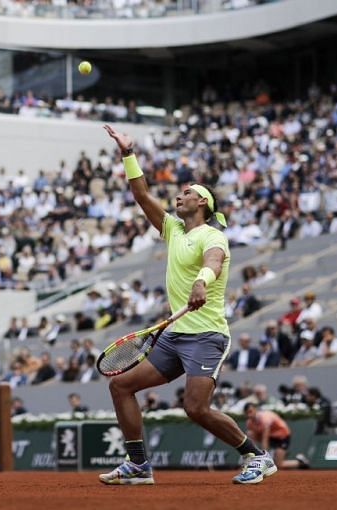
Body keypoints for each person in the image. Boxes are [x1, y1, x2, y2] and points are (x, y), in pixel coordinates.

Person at [99, 125, 274, 486]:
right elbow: (140, 193)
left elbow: (213, 262)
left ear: (203, 203)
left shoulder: (214, 235)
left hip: (206, 335)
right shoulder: (173, 230)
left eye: (188, 193)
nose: (180, 196)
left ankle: (257, 456)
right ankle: (138, 465)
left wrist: (201, 282)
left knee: (195, 408)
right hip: (175, 335)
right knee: (120, 387)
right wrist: (128, 153)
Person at [244, 403, 309, 470]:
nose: (249, 415)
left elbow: (265, 439)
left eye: (250, 411)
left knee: (279, 465)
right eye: (247, 413)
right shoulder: (249, 423)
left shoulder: (264, 418)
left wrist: (264, 459)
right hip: (272, 437)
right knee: (250, 433)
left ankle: (301, 463)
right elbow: (252, 441)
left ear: (255, 409)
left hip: (282, 436)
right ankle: (265, 457)